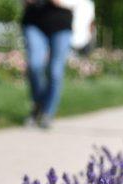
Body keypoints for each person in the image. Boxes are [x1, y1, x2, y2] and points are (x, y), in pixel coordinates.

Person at [22, 0, 85, 129]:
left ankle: (47, 112)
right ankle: (38, 104)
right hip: (34, 21)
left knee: (55, 71)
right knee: (34, 65)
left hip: (61, 23)